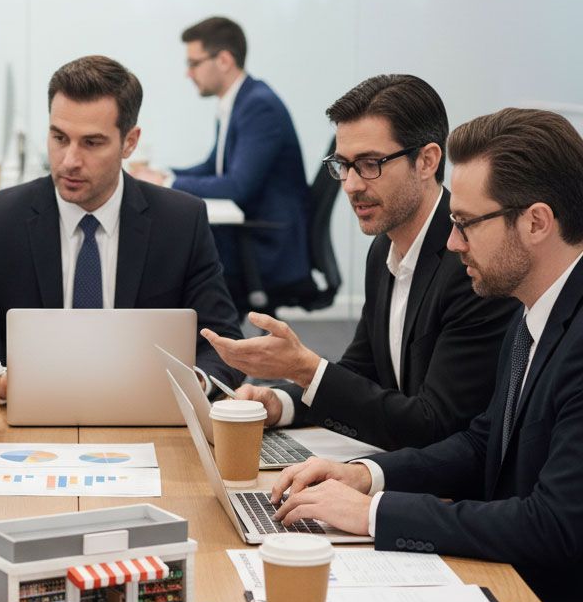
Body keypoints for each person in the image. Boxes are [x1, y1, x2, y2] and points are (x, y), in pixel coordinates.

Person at [269, 108, 583, 602]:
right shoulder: (533, 310)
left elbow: (553, 526)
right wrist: (367, 477)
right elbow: (484, 441)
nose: (454, 242)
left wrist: (375, 514)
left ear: (535, 222)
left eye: (466, 223)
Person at [201, 74, 517, 450]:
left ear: (427, 161)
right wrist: (280, 402)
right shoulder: (384, 247)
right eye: (342, 165)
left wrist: (304, 367)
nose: (350, 185)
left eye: (369, 164)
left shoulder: (471, 262)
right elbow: (362, 372)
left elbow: (435, 424)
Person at [0, 54, 244, 395]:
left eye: (92, 143)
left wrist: (192, 385)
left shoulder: (180, 221)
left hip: (146, 417)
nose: (70, 161)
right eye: (59, 138)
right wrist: (1, 384)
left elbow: (225, 346)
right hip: (28, 420)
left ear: (130, 142)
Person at [133, 16, 312, 312]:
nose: (188, 74)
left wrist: (166, 184)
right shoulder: (239, 100)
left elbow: (238, 185)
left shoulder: (258, 106)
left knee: (170, 255)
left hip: (266, 243)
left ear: (224, 60)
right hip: (249, 234)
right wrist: (166, 174)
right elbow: (213, 167)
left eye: (194, 63)